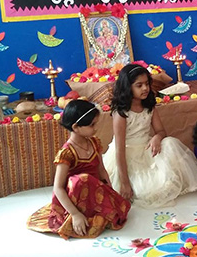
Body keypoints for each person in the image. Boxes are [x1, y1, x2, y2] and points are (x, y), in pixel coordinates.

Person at [103, 64, 197, 206]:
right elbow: (119, 149)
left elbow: (161, 131)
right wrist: (125, 183)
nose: (145, 88)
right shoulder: (121, 113)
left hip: (147, 148)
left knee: (170, 142)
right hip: (127, 154)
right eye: (139, 85)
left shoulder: (148, 107)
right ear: (128, 87)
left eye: (147, 84)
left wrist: (157, 137)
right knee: (144, 191)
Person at [27, 100, 130, 239]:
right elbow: (58, 188)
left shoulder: (94, 143)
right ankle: (80, 214)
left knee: (119, 210)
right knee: (82, 179)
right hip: (75, 198)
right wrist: (75, 214)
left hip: (94, 194)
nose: (96, 128)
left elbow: (101, 170)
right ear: (75, 127)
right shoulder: (67, 152)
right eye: (92, 125)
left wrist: (110, 193)